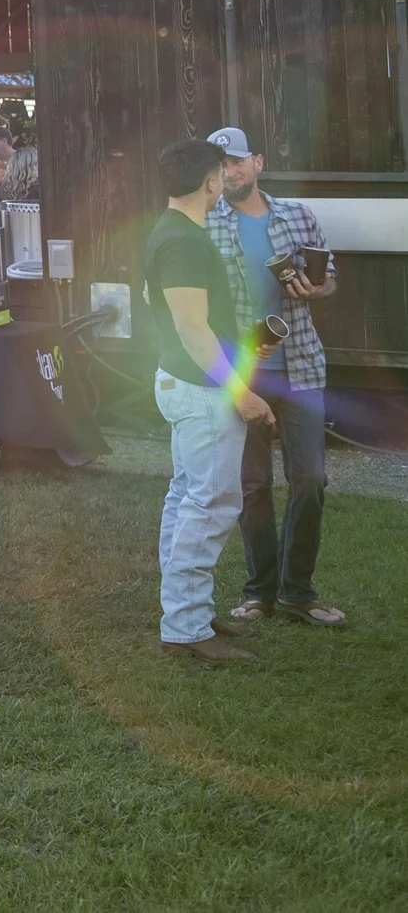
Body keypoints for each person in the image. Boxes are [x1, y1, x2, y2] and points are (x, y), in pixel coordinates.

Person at [205, 127, 345, 629]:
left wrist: (317, 289)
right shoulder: (206, 224)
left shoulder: (297, 216)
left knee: (310, 478)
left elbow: (331, 277)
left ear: (258, 162)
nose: (229, 171)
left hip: (302, 365)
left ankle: (298, 591)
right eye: (220, 164)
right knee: (253, 485)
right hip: (244, 373)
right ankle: (260, 593)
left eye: (237, 161)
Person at [143, 137, 274, 663]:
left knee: (186, 498)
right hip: (201, 391)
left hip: (184, 383)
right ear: (210, 182)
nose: (224, 181)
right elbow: (193, 330)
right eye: (221, 174)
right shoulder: (185, 242)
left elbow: (161, 304)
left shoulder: (169, 231)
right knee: (211, 504)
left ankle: (189, 611)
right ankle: (187, 627)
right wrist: (240, 393)